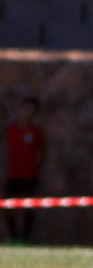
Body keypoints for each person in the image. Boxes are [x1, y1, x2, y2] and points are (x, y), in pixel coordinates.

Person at [4, 97, 46, 243]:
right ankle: (14, 237)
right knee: (8, 206)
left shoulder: (36, 132)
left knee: (29, 207)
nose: (26, 113)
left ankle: (25, 239)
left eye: (31, 111)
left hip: (30, 175)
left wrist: (37, 171)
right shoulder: (11, 130)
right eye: (24, 109)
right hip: (13, 174)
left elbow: (41, 153)